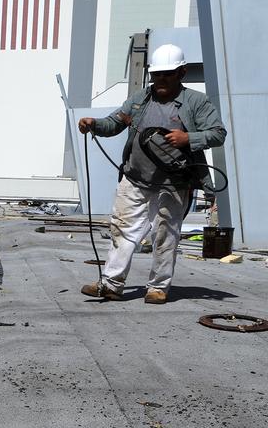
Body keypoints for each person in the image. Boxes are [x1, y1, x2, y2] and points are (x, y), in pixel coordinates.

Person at [78, 44, 225, 304]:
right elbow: (115, 123)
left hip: (174, 184)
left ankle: (158, 287)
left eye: (167, 74)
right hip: (135, 180)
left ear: (182, 73)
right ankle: (111, 284)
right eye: (157, 75)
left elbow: (217, 133)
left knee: (165, 234)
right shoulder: (140, 100)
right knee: (122, 230)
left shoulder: (196, 102)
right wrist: (95, 125)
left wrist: (188, 138)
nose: (161, 79)